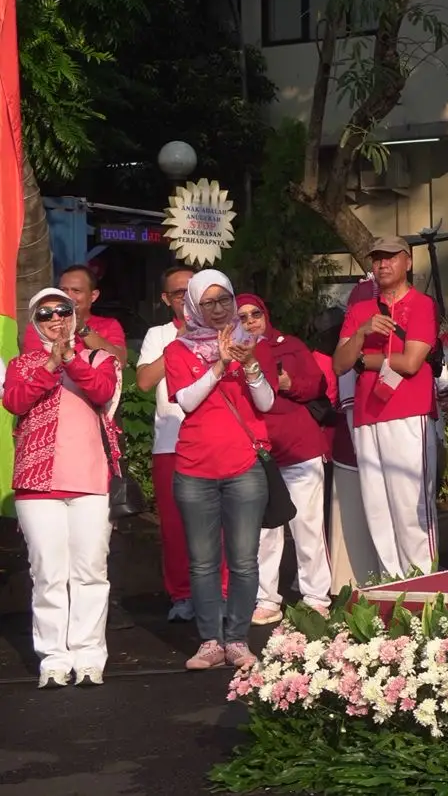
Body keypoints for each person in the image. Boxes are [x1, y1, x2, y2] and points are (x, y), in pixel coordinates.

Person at [3, 287, 122, 687]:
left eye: (63, 311)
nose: (56, 319)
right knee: (48, 573)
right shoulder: (22, 365)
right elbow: (15, 401)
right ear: (35, 323)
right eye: (45, 314)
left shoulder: (99, 359)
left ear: (75, 315)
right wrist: (50, 364)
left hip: (90, 480)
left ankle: (90, 655)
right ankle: (54, 657)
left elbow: (102, 392)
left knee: (90, 570)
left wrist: (70, 358)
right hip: (37, 484)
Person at [163, 270, 274, 669]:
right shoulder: (178, 351)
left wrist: (249, 367)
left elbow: (265, 403)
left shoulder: (252, 343)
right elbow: (188, 403)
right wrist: (218, 366)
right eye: (207, 303)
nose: (217, 309)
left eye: (223, 300)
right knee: (203, 561)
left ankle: (238, 639)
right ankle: (210, 641)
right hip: (195, 469)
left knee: (244, 560)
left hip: (244, 466)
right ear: (192, 306)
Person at [332, 237, 441, 578]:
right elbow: (338, 364)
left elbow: (410, 363)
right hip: (367, 416)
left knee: (412, 508)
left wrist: (365, 360)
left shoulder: (422, 305)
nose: (382, 265)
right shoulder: (359, 311)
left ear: (407, 262)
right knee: (377, 508)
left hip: (409, 415)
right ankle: (391, 587)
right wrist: (362, 334)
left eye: (390, 258)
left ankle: (426, 587)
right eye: (377, 259)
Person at [136, 265, 226, 622]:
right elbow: (143, 381)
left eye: (193, 289)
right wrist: (182, 338)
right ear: (167, 299)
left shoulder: (222, 331)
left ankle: (221, 592)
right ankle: (182, 594)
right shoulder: (158, 334)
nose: (187, 296)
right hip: (171, 443)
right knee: (174, 526)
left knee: (218, 524)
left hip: (214, 441)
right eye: (179, 292)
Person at [238, 295, 334, 623]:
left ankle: (316, 595)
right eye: (243, 317)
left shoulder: (288, 345)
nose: (250, 321)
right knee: (265, 530)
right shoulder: (231, 353)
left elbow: (317, 384)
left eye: (256, 314)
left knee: (307, 525)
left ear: (266, 314)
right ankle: (267, 599)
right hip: (260, 450)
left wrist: (287, 382)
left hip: (299, 448)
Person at [311, 304, 380, 592]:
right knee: (338, 515)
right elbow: (320, 403)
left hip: (345, 438)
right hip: (335, 442)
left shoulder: (336, 356)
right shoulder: (322, 360)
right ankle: (342, 580)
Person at [23, 264, 127, 363]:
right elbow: (33, 367)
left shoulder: (109, 325)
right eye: (63, 290)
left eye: (76, 291)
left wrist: (82, 329)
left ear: (93, 296)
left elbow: (119, 362)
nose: (68, 297)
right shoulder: (40, 326)